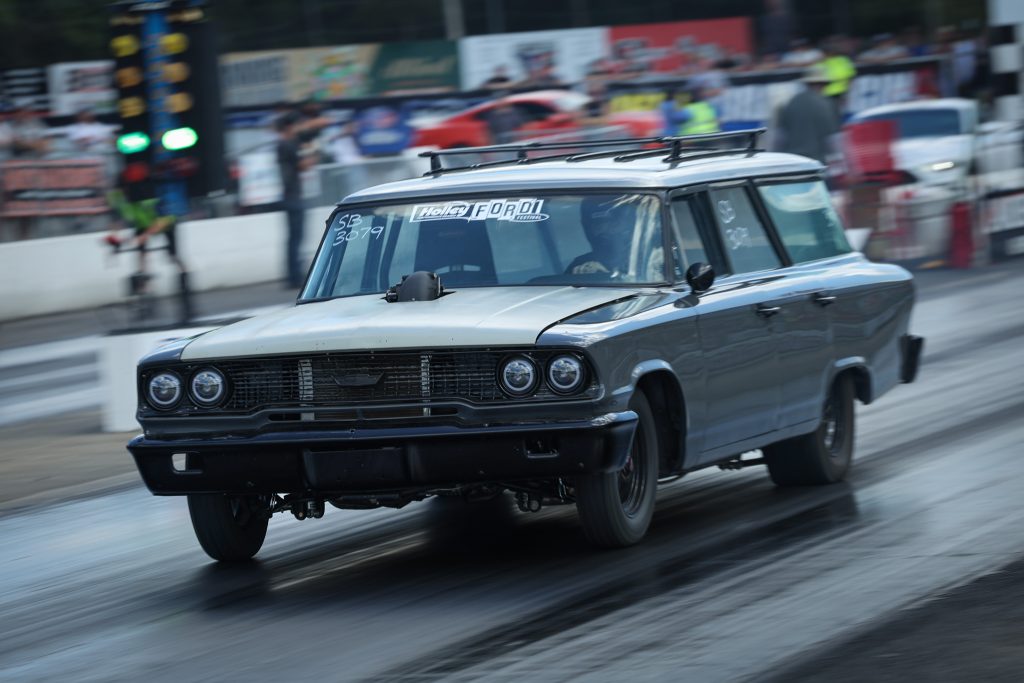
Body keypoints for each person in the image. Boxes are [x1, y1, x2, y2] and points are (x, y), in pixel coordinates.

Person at [106, 184, 194, 322]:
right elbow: (116, 219)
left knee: (173, 257)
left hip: (165, 224)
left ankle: (186, 295)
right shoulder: (120, 199)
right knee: (141, 260)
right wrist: (114, 239)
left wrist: (145, 236)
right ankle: (144, 296)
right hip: (143, 225)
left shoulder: (147, 194)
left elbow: (165, 219)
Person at [277, 111, 318, 289]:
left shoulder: (285, 145)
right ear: (289, 127)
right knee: (296, 238)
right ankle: (294, 277)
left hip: (290, 194)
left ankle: (293, 275)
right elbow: (304, 165)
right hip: (292, 195)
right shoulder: (288, 144)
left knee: (294, 238)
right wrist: (312, 150)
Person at [772, 64, 839, 166]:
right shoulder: (827, 104)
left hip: (793, 159)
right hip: (817, 160)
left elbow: (780, 136)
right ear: (823, 84)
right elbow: (832, 139)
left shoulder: (792, 102)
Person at [567, 196, 636, 277]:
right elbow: (558, 287)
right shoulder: (579, 264)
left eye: (612, 224)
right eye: (596, 225)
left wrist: (605, 275)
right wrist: (578, 278)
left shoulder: (644, 261)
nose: (604, 230)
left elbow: (643, 286)